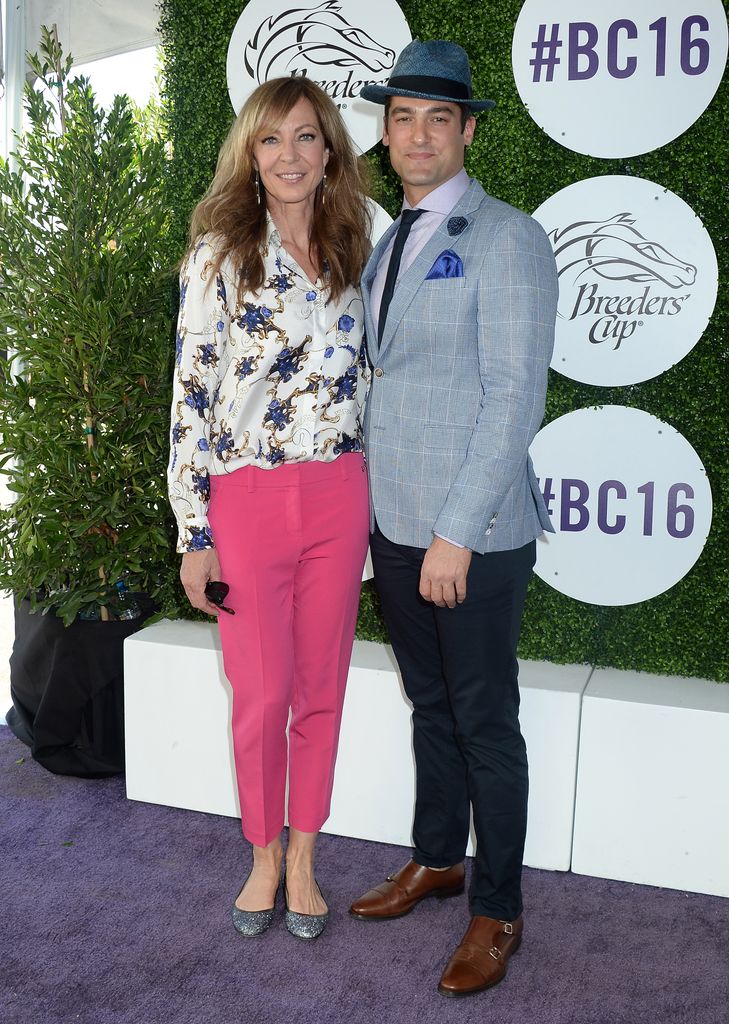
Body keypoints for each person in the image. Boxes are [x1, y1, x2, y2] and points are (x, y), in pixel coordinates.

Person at [350, 40, 558, 995]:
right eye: (402, 117)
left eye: (439, 118)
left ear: (467, 131)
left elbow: (514, 398)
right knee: (429, 707)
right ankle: (437, 859)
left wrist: (454, 533)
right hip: (393, 524)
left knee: (483, 723)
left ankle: (497, 908)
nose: (419, 135)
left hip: (466, 536)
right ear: (385, 135)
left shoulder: (508, 236)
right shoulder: (385, 239)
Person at [167, 77, 371, 941]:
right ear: (249, 156)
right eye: (270, 140)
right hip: (246, 496)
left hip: (340, 492)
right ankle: (260, 851)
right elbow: (189, 396)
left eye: (304, 137)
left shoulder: (357, 245)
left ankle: (304, 857)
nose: (289, 156)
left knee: (320, 689)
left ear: (329, 151)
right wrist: (194, 531)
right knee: (260, 693)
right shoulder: (219, 253)